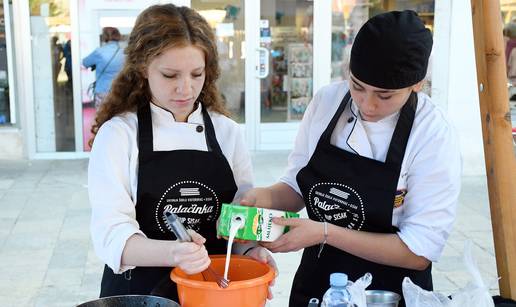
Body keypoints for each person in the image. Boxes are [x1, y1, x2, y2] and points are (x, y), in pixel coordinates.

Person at [241, 11, 461, 306]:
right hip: (319, 281)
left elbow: (419, 253)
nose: (367, 104)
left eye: (385, 96)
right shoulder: (327, 102)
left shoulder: (431, 132)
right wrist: (265, 197)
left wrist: (325, 232)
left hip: (389, 290)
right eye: (357, 86)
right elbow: (297, 185)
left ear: (417, 84)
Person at [88, 4, 275, 301]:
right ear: (142, 68)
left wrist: (251, 251)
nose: (185, 89)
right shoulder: (119, 134)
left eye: (196, 74)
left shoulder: (227, 132)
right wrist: (175, 252)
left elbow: (238, 221)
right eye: (170, 75)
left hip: (214, 293)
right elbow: (112, 236)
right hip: (140, 294)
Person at [82, 27, 125, 109]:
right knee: (118, 118)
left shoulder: (99, 52)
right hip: (120, 91)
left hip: (102, 91)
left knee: (101, 118)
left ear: (105, 36)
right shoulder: (124, 53)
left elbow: (85, 62)